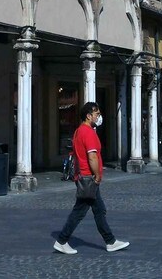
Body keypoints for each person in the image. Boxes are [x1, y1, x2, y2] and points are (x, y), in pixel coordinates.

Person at [53, 102, 130, 255]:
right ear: (88, 116)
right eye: (97, 114)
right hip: (89, 177)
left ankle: (110, 241)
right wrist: (98, 175)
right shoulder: (88, 133)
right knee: (80, 211)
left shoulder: (78, 131)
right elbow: (92, 156)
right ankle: (62, 240)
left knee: (98, 210)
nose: (99, 117)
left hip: (83, 176)